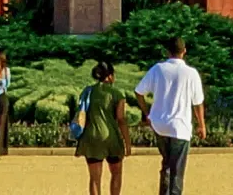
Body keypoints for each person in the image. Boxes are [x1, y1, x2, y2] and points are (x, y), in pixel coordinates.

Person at [135, 37, 206, 195]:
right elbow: (198, 103)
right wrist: (202, 125)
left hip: (159, 125)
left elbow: (139, 92)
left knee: (166, 165)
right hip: (180, 127)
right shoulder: (191, 73)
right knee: (177, 171)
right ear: (184, 51)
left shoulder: (158, 69)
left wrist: (147, 113)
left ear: (168, 52)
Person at [76, 60, 132, 195]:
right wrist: (127, 143)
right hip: (111, 137)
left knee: (95, 178)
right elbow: (121, 120)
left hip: (91, 137)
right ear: (110, 76)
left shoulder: (88, 91)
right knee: (116, 173)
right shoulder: (117, 94)